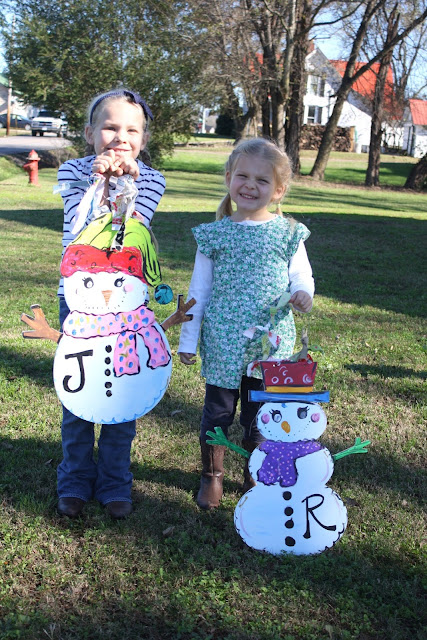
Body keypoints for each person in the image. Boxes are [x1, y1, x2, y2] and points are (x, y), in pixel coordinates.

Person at [178, 138, 314, 510]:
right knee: (217, 414)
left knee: (261, 417)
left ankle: (257, 474)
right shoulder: (214, 235)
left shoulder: (288, 233)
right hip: (223, 342)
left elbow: (301, 275)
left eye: (262, 180)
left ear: (279, 190)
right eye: (243, 176)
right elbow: (198, 291)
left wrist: (303, 292)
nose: (250, 185)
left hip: (270, 345)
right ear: (228, 179)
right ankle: (212, 475)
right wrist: (188, 341)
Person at [55, 88, 166, 519]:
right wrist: (98, 181)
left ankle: (115, 481)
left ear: (143, 139)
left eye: (132, 130)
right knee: (78, 394)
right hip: (79, 304)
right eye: (110, 127)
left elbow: (127, 231)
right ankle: (74, 479)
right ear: (89, 133)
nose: (121, 138)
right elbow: (82, 227)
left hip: (126, 308)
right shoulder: (71, 172)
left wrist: (127, 183)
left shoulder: (151, 180)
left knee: (122, 393)